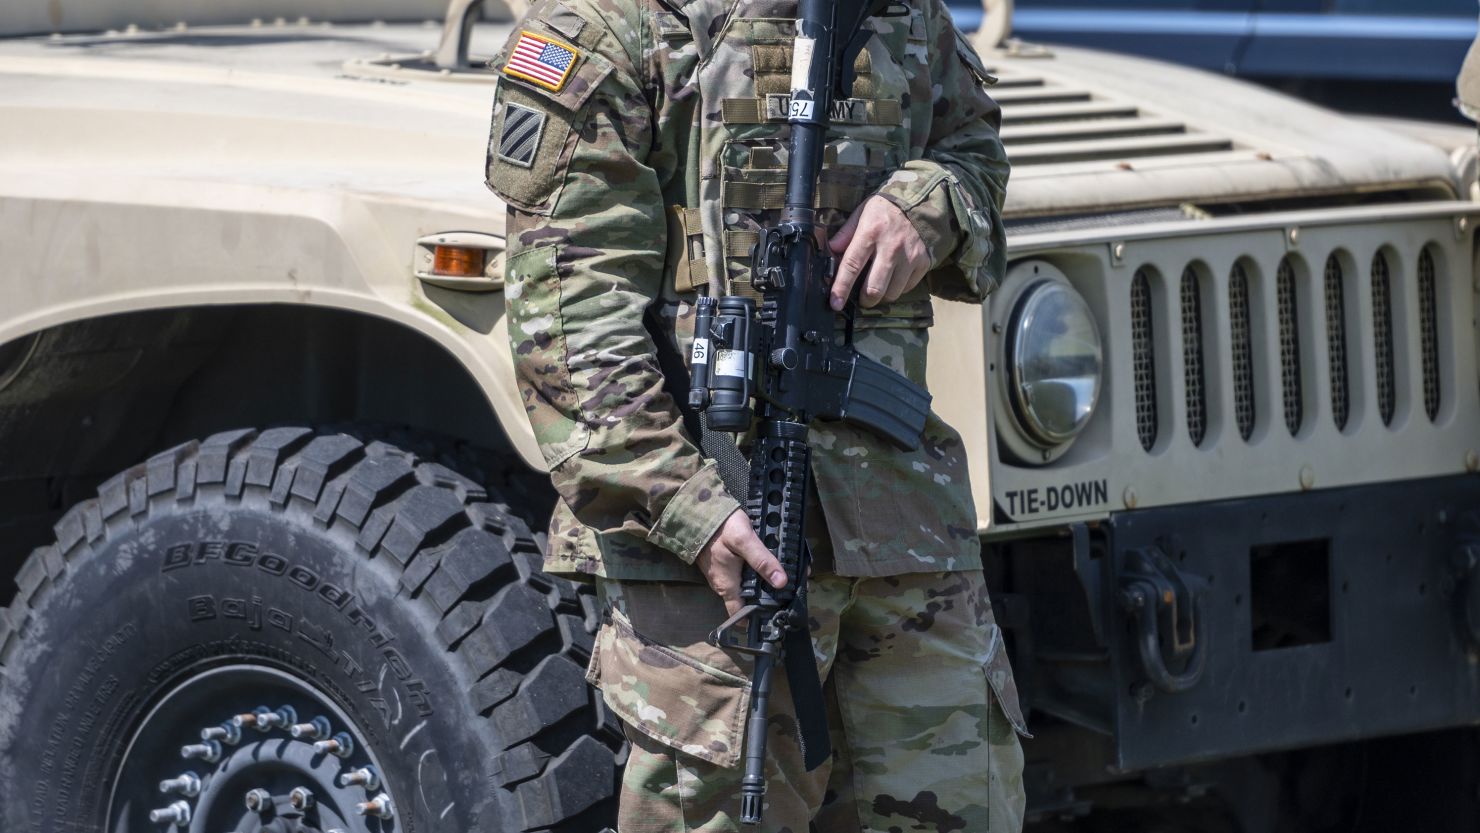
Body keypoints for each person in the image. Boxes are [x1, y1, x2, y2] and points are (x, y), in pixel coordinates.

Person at [485, 0, 1029, 827]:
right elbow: (567, 324)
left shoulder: (903, 13)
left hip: (901, 526)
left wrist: (927, 206)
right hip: (718, 545)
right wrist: (689, 509)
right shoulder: (609, 26)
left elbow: (976, 157)